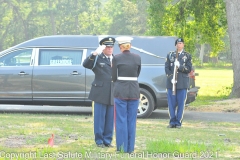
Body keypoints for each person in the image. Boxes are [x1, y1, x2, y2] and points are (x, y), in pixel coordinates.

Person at [83, 37, 115, 147]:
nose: (110, 49)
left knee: (110, 119)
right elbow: (86, 64)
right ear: (103, 48)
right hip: (100, 92)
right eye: (107, 47)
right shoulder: (98, 58)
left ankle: (107, 140)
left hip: (112, 92)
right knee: (99, 118)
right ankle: (99, 141)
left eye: (111, 47)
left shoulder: (115, 59)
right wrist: (95, 53)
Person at [112, 36, 141, 153]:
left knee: (121, 120)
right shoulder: (138, 58)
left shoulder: (116, 58)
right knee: (131, 121)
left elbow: (114, 77)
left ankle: (121, 147)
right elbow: (138, 73)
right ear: (130, 46)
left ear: (120, 47)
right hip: (134, 91)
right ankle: (130, 148)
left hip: (120, 92)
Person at [165, 38, 192, 129]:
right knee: (171, 104)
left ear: (183, 44)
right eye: (177, 43)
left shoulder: (187, 56)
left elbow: (188, 69)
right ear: (175, 45)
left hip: (182, 83)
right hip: (171, 84)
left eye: (180, 43)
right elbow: (167, 68)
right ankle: (172, 121)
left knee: (181, 104)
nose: (179, 45)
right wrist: (170, 78)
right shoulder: (170, 55)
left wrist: (180, 66)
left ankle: (178, 122)